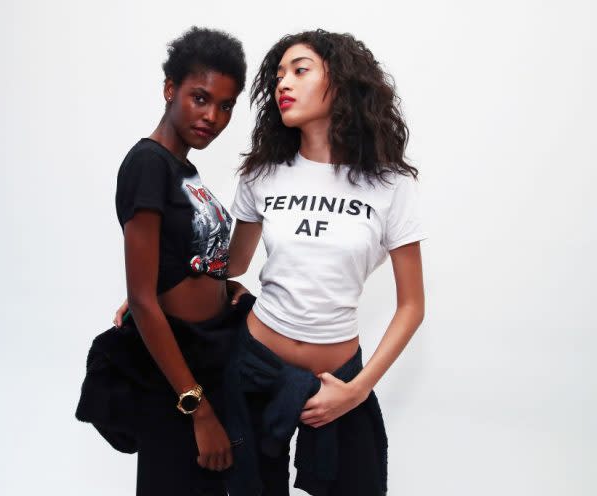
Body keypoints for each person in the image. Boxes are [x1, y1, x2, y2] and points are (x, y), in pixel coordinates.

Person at [114, 29, 427, 496]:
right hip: (255, 367)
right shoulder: (263, 173)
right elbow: (231, 262)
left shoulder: (388, 185)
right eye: (279, 74)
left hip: (340, 375)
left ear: (340, 82)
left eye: (300, 70)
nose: (284, 83)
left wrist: (359, 388)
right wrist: (155, 289)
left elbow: (411, 305)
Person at [75, 26, 250, 496]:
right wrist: (200, 409)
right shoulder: (148, 164)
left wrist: (223, 284)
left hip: (208, 358)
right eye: (200, 98)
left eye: (226, 105)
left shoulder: (184, 169)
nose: (212, 115)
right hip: (177, 379)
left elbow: (180, 261)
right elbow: (143, 298)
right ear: (170, 90)